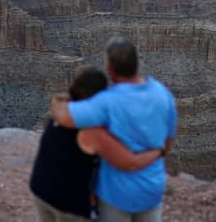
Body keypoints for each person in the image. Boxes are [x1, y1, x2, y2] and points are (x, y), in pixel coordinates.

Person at [51, 37, 177, 222]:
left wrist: (57, 100)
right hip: (152, 188)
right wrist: (157, 153)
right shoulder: (163, 94)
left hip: (116, 194)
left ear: (110, 69)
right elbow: (168, 142)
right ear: (137, 64)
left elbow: (63, 117)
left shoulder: (106, 102)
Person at [30, 66, 163, 222]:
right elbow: (130, 162)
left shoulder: (61, 110)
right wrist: (157, 152)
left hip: (40, 190)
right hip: (67, 205)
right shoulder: (91, 129)